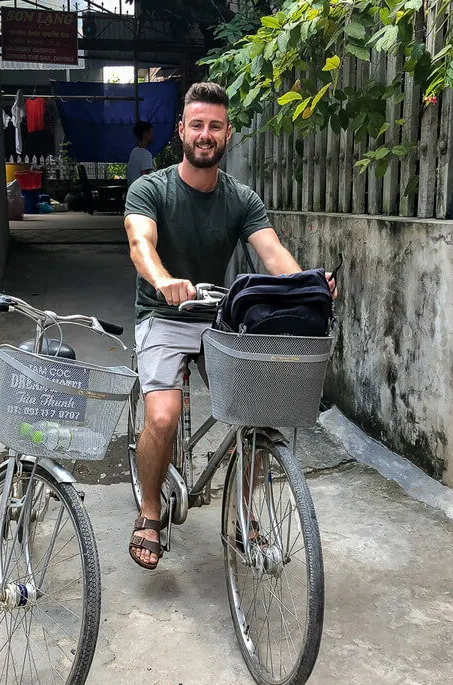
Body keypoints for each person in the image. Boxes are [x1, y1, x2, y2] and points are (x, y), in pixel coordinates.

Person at [124, 82, 336, 570]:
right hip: (162, 314)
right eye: (196, 125)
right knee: (162, 417)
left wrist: (309, 286)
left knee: (258, 409)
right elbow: (142, 245)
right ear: (181, 131)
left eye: (214, 126)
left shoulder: (241, 198)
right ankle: (150, 511)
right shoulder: (151, 188)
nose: (205, 134)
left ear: (227, 134)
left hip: (217, 318)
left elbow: (273, 252)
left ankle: (244, 516)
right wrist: (163, 281)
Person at [126, 120, 154, 187]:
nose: (153, 135)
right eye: (151, 132)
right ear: (145, 135)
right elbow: (144, 178)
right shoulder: (146, 154)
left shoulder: (134, 151)